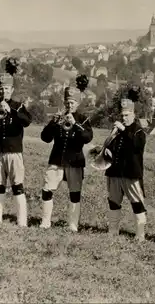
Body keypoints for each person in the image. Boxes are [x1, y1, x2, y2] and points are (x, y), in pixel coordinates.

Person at [0, 57, 32, 227]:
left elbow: (27, 121)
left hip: (14, 151)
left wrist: (12, 112)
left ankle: (22, 219)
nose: (4, 92)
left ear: (12, 89)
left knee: (18, 185)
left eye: (7, 89)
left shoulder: (18, 106)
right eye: (1, 88)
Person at [39, 75, 93, 232]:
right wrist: (53, 122)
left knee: (74, 193)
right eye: (67, 102)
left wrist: (75, 124)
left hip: (75, 161)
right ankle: (45, 221)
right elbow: (45, 138)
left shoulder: (83, 119)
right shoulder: (59, 118)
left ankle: (72, 224)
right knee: (47, 190)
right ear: (64, 103)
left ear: (77, 103)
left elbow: (87, 138)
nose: (69, 105)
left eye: (72, 102)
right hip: (56, 160)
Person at [102, 88, 147, 241]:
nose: (124, 118)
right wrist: (107, 151)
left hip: (131, 173)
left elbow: (136, 146)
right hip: (114, 171)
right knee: (113, 201)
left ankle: (140, 234)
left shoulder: (138, 130)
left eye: (127, 115)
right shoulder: (117, 130)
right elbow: (109, 145)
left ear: (133, 115)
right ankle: (113, 231)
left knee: (137, 203)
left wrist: (123, 131)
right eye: (122, 115)